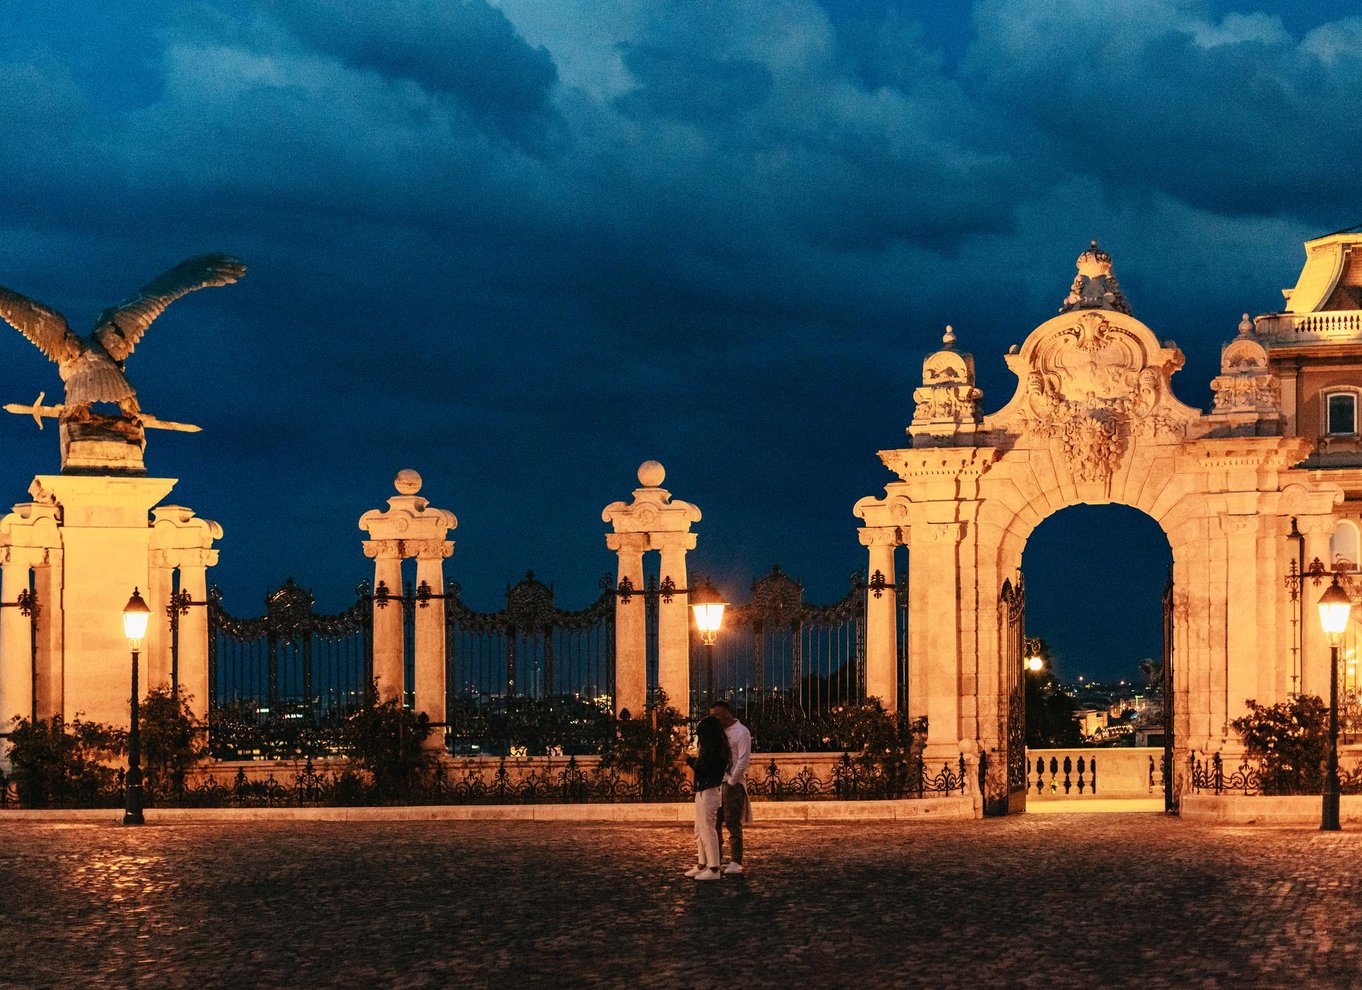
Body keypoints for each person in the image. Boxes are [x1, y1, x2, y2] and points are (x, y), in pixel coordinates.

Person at [684, 715, 730, 881]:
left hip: (709, 791)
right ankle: (702, 864)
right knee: (700, 830)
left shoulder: (714, 750)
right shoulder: (716, 748)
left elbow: (702, 769)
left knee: (708, 830)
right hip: (704, 791)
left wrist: (688, 759)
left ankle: (714, 867)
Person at [709, 700, 752, 875]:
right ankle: (715, 858)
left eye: (716, 715)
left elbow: (743, 759)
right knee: (715, 821)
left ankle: (736, 860)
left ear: (726, 713)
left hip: (732, 783)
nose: (714, 719)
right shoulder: (718, 732)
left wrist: (733, 780)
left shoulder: (741, 732)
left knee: (732, 821)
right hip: (718, 782)